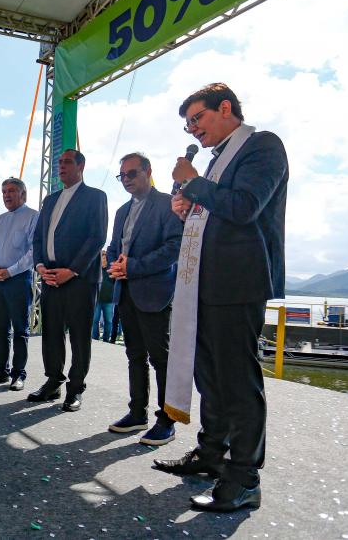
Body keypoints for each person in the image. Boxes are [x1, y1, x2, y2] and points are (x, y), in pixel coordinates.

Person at [153, 83, 288, 512]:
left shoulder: (262, 146)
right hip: (205, 284)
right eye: (188, 123)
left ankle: (245, 477)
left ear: (225, 108)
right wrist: (188, 205)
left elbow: (246, 205)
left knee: (236, 381)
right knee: (209, 376)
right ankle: (211, 455)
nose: (192, 129)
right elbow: (215, 209)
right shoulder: (214, 162)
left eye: (198, 118)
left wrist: (193, 186)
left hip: (240, 282)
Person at [104, 152, 183, 446]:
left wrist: (132, 266)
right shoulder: (122, 211)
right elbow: (114, 246)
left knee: (160, 359)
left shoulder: (166, 204)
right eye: (122, 176)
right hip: (125, 292)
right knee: (134, 356)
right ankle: (137, 413)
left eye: (132, 174)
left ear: (148, 171)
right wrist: (114, 265)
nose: (126, 180)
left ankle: (167, 420)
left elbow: (174, 246)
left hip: (155, 294)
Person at [31, 149, 108, 411]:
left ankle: (75, 389)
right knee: (51, 333)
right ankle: (53, 382)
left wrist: (72, 270)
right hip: (50, 276)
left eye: (66, 162)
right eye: (58, 162)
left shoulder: (95, 197)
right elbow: (39, 238)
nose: (61, 166)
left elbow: (96, 237)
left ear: (81, 165)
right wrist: (40, 265)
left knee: (78, 336)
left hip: (79, 279)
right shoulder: (50, 200)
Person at [0, 177, 38, 391]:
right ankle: (0, 370)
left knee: (20, 329)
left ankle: (18, 374)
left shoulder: (33, 217)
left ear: (23, 194)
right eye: (4, 191)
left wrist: (10, 272)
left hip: (18, 280)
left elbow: (33, 252)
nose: (7, 195)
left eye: (12, 190)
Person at [92, 250, 115, 341]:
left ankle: (106, 339)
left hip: (109, 300)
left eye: (105, 259)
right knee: (95, 320)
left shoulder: (111, 271)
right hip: (96, 300)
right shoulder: (95, 270)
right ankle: (95, 338)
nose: (103, 261)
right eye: (102, 259)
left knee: (108, 321)